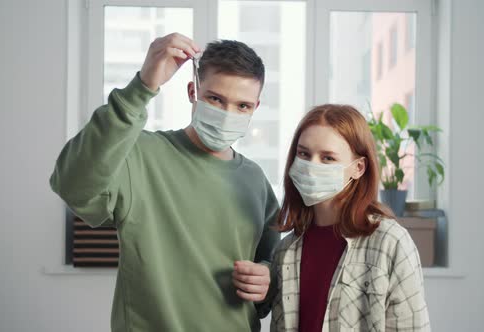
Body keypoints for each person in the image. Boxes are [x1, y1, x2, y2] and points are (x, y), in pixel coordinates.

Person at [49, 33, 280, 332]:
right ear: (192, 91)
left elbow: (274, 274)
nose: (227, 114)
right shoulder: (140, 154)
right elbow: (71, 184)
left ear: (256, 107)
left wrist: (266, 279)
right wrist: (142, 87)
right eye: (215, 99)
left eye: (243, 106)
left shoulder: (255, 180)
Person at [266, 104, 430, 331]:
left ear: (358, 168)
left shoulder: (391, 243)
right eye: (304, 154)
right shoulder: (286, 250)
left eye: (328, 158)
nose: (311, 166)